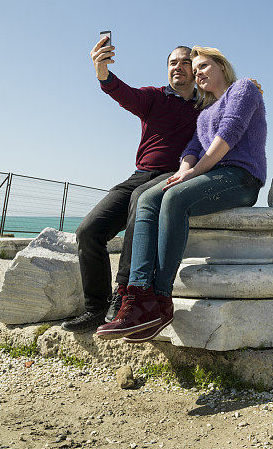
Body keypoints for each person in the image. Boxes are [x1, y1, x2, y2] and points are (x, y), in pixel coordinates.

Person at [96, 46, 266, 341]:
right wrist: (182, 170)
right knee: (149, 197)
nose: (197, 73)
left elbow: (229, 133)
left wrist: (194, 172)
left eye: (203, 66)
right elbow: (191, 149)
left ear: (222, 67)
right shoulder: (204, 113)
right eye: (195, 68)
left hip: (241, 177)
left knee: (174, 198)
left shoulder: (244, 88)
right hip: (210, 174)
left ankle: (160, 299)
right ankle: (137, 297)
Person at [62, 37, 200, 333]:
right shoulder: (153, 97)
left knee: (141, 199)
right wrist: (102, 71)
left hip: (177, 175)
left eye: (185, 61)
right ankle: (96, 308)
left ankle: (123, 294)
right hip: (142, 173)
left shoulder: (206, 106)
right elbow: (121, 92)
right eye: (173, 62)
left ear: (195, 68)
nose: (178, 66)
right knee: (88, 231)